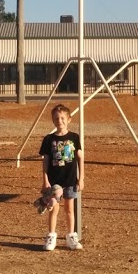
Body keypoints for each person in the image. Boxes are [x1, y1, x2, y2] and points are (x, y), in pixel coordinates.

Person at [38, 104, 84, 251]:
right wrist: (45, 180)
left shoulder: (74, 138)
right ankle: (51, 236)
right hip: (54, 181)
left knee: (69, 209)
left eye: (63, 118)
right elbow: (45, 161)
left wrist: (81, 178)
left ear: (69, 119)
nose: (60, 121)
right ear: (53, 120)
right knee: (53, 208)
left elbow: (80, 158)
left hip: (70, 180)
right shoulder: (48, 139)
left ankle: (71, 236)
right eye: (56, 118)